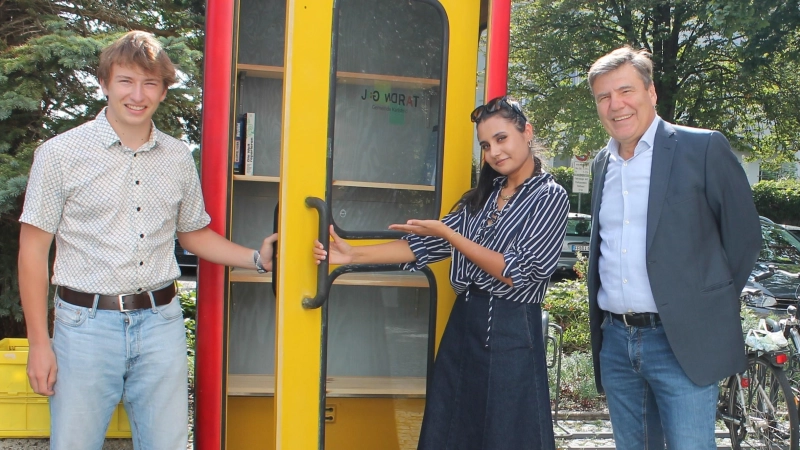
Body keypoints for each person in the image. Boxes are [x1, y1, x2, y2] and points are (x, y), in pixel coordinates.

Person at [17, 31, 277, 450]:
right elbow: (32, 252)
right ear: (104, 83)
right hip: (84, 328)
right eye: (126, 81)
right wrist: (38, 344)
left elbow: (193, 233)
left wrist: (256, 258)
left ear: (163, 90)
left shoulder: (176, 157)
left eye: (150, 83)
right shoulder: (59, 154)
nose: (137, 94)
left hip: (162, 325)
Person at [314, 96, 569, 449]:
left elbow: (517, 272)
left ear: (527, 132)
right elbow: (422, 246)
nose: (493, 152)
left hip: (511, 330)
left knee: (507, 435)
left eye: (501, 139)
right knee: (452, 432)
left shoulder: (550, 196)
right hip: (464, 324)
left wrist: (450, 234)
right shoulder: (483, 196)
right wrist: (351, 253)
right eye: (485, 145)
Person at [585, 46, 762, 449]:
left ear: (651, 93)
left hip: (680, 342)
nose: (616, 105)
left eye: (625, 91)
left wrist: (703, 307)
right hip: (615, 341)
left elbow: (744, 238)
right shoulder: (602, 164)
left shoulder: (702, 149)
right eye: (604, 97)